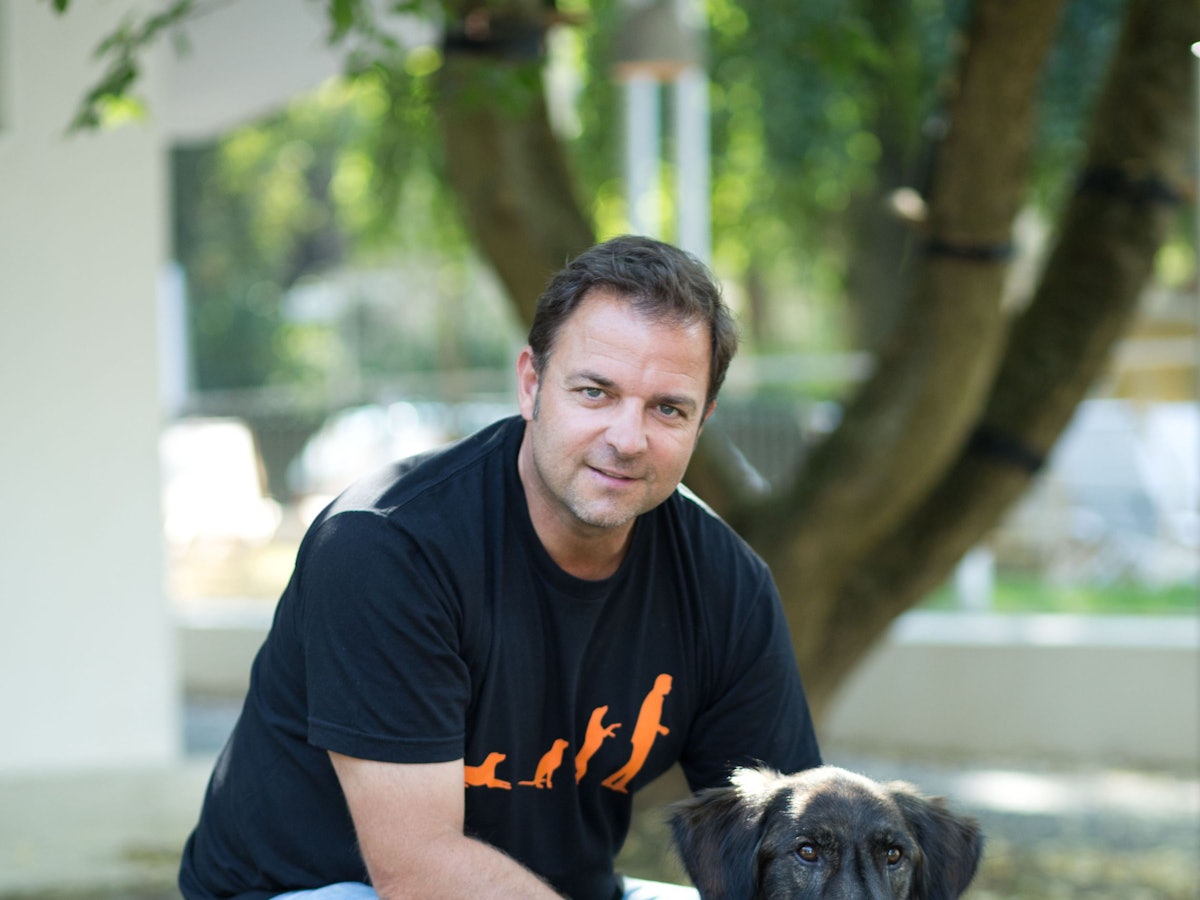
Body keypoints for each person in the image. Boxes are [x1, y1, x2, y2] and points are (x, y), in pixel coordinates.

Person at [178, 235, 822, 900]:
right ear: (531, 384)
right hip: (323, 891)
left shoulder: (726, 585)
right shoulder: (387, 548)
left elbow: (794, 848)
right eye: (595, 392)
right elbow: (418, 870)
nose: (628, 439)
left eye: (667, 408)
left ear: (703, 420)